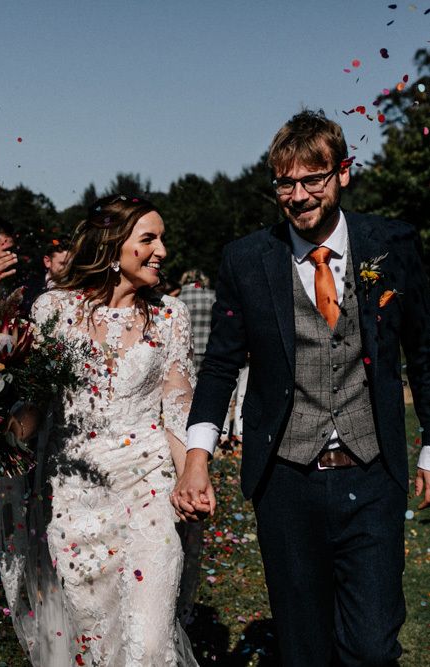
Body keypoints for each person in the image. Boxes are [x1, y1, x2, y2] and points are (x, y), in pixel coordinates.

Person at [173, 109, 430, 666]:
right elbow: (220, 364)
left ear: (342, 173)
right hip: (286, 482)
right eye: (284, 183)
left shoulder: (393, 243)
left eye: (312, 179)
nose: (298, 195)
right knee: (305, 649)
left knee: (372, 644)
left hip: (373, 472)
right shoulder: (246, 259)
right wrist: (198, 456)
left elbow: (424, 348)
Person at [1, 195, 199, 666]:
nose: (162, 251)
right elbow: (37, 405)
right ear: (112, 247)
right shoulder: (54, 311)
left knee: (149, 643)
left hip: (151, 489)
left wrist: (192, 472)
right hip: (76, 498)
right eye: (148, 239)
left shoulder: (171, 315)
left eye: (162, 239)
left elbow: (177, 405)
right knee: (93, 640)